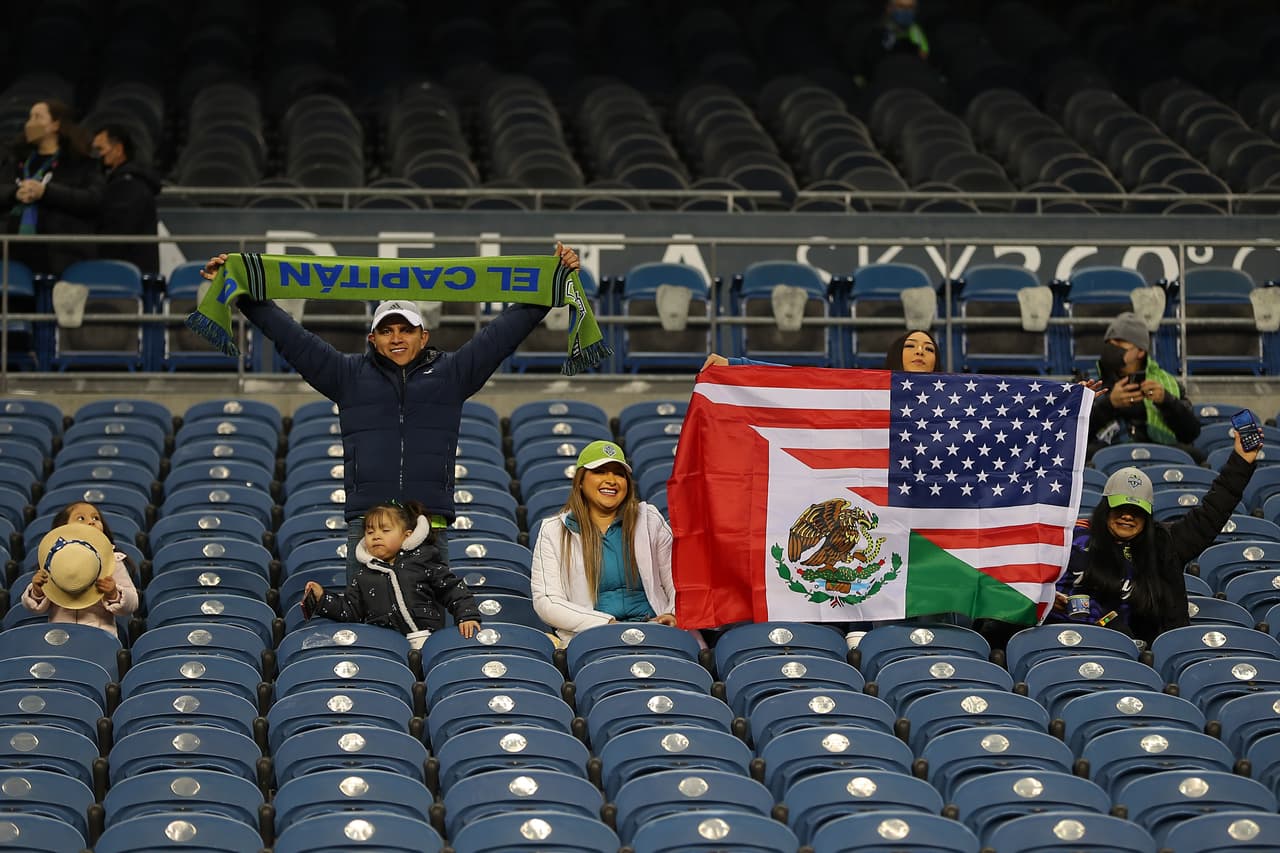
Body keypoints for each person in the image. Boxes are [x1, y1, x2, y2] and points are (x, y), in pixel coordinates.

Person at [202, 242, 580, 581]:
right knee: (369, 628)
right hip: (369, 526)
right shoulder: (346, 375)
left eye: (405, 329)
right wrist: (242, 292)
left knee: (429, 624)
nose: (396, 338)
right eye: (387, 331)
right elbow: (290, 337)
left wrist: (547, 283)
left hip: (426, 524)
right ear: (373, 338)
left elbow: (502, 334)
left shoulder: (451, 374)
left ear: (423, 336)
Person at [1048, 429, 1258, 647]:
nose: (1127, 516)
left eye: (1136, 510)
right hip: (1084, 643)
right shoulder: (1076, 541)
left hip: (1155, 655)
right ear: (1105, 508)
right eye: (1120, 508)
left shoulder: (1165, 543)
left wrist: (1241, 462)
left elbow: (1212, 512)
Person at [531, 440, 677, 644]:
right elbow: (547, 601)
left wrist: (673, 612)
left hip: (657, 630)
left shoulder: (649, 518)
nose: (611, 480)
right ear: (580, 481)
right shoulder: (554, 530)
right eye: (600, 472)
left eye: (619, 474)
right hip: (595, 636)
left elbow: (679, 580)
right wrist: (605, 623)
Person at [301, 499, 481, 648]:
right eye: (370, 532)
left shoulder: (424, 559)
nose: (376, 536)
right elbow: (349, 610)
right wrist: (322, 598)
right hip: (385, 645)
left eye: (385, 530)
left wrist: (467, 615)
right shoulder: (363, 575)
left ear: (407, 535)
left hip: (428, 641)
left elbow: (452, 589)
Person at [3, 100, 102, 276]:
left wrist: (46, 192)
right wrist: (14, 194)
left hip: (61, 256)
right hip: (13, 254)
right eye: (29, 117)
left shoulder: (81, 163)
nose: (29, 123)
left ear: (56, 125)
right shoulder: (16, 160)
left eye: (37, 117)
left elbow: (93, 200)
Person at [1087, 311, 1202, 463]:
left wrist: (1167, 401)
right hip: (1110, 456)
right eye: (1110, 342)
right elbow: (1071, 435)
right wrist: (1109, 405)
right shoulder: (1089, 382)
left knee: (1194, 456)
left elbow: (1191, 433)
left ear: (1140, 351)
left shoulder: (1166, 382)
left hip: (1157, 455)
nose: (1113, 347)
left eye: (1121, 343)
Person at [22, 501, 139, 637]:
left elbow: (133, 603)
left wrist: (114, 594)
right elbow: (35, 608)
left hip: (99, 637)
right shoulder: (53, 560)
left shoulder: (112, 560)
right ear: (63, 527)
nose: (91, 522)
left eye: (96, 518)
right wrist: (37, 591)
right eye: (81, 518)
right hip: (60, 636)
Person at [702, 328, 943, 372]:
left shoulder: (962, 395)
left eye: (928, 348)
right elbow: (799, 380)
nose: (919, 352)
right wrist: (737, 365)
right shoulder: (873, 387)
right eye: (910, 346)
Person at [92, 123, 160, 274]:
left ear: (118, 149)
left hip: (127, 271)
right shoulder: (121, 181)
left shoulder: (129, 185)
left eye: (100, 149)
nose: (97, 156)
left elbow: (117, 233)